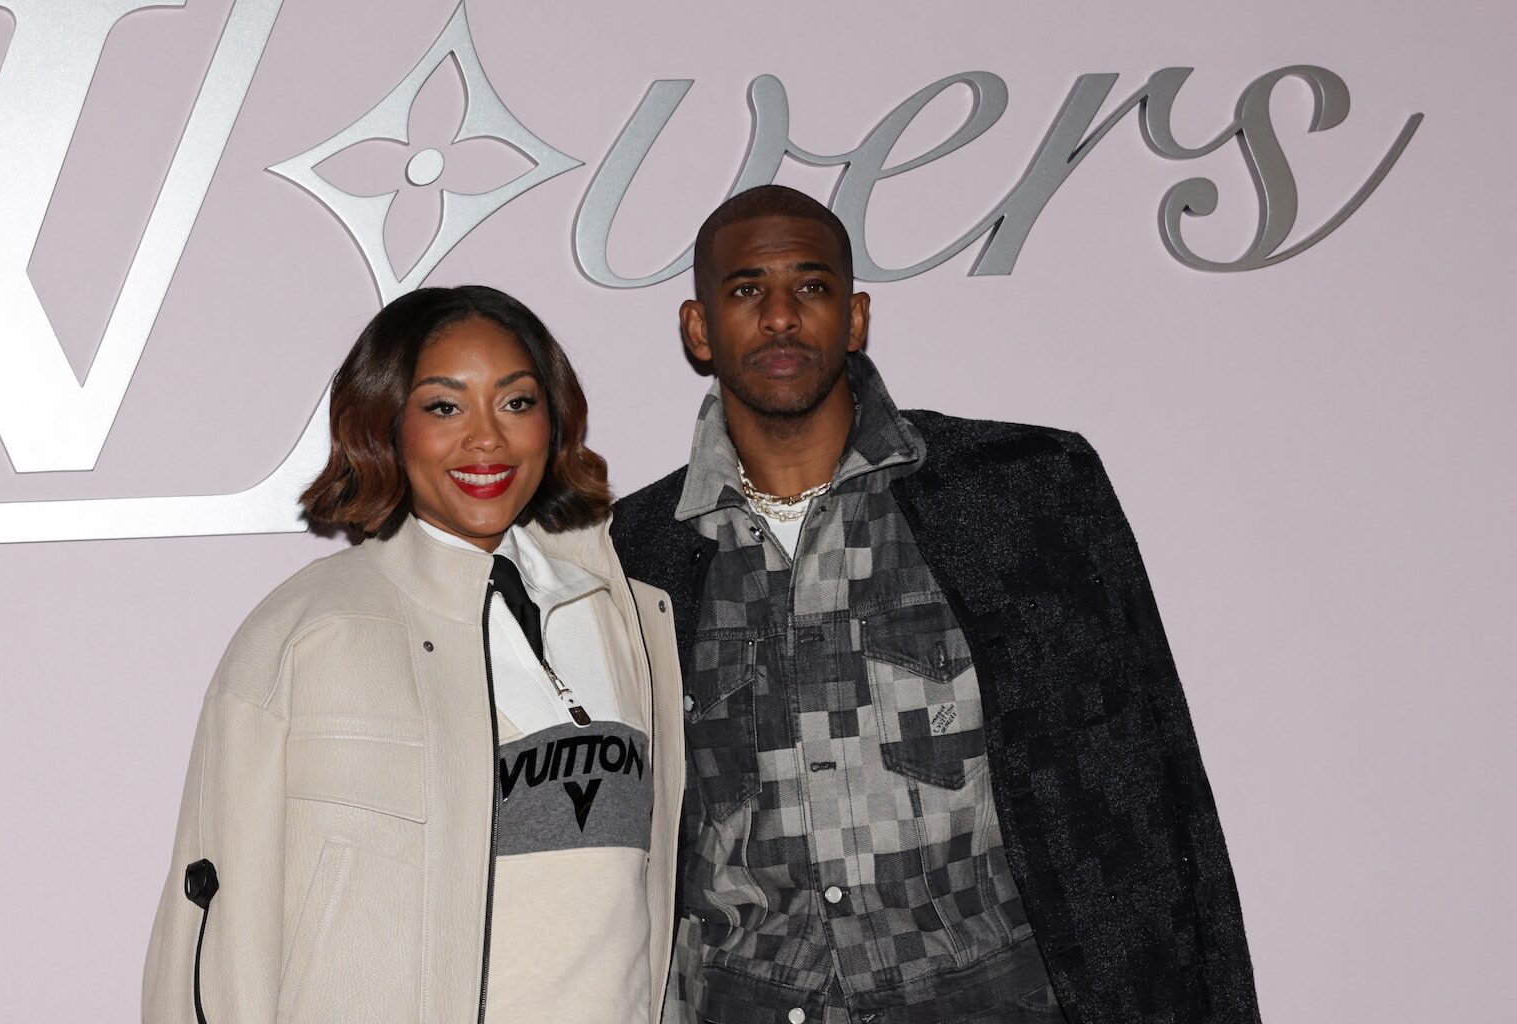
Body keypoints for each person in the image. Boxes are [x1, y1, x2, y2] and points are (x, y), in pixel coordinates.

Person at [610, 186, 1260, 1024]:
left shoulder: (1020, 494)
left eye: (810, 288)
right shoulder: (634, 555)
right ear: (699, 328)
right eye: (745, 291)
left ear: (854, 317)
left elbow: (1148, 782)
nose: (779, 317)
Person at [141, 285, 685, 1024]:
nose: (486, 439)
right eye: (443, 406)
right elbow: (211, 934)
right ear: (385, 423)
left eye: (517, 402)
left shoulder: (620, 611)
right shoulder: (309, 632)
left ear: (553, 421)